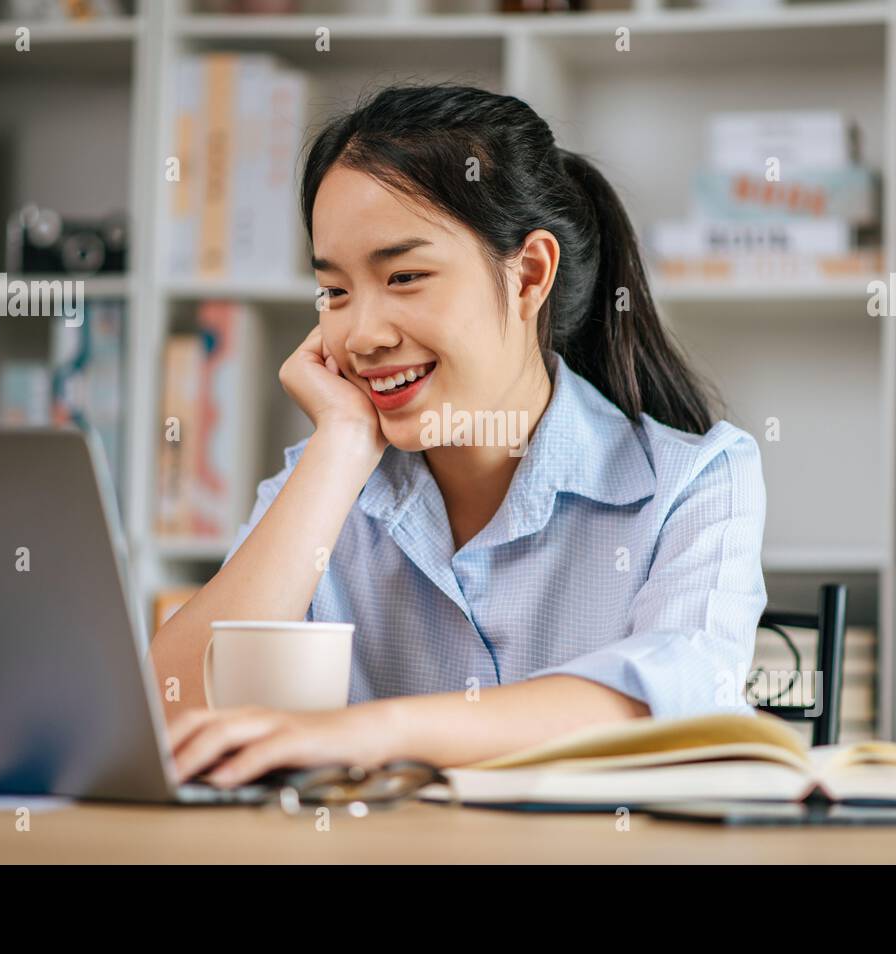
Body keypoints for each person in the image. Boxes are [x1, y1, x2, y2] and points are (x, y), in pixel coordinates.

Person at [151, 83, 767, 788]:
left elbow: (665, 710)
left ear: (529, 274)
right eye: (336, 292)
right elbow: (168, 721)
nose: (361, 335)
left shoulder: (697, 481)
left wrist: (366, 732)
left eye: (405, 276)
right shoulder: (321, 485)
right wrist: (342, 447)